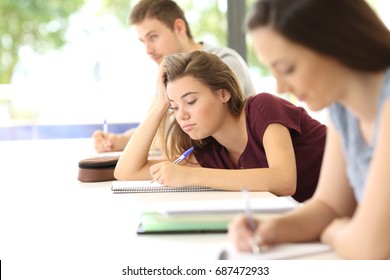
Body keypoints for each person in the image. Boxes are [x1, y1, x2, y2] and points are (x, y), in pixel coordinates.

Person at [228, 0, 390, 259]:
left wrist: (333, 233)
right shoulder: (342, 108)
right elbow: (330, 206)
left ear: (335, 42)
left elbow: (371, 246)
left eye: (287, 69)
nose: (280, 87)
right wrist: (273, 228)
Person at [114, 50, 326, 203]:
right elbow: (126, 171)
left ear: (223, 93)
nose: (182, 115)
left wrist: (190, 175)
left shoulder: (262, 108)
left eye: (191, 101)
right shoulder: (211, 151)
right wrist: (161, 103)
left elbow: (284, 181)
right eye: (174, 107)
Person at [92, 0, 255, 153]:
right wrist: (119, 140)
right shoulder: (171, 74)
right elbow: (154, 127)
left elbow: (199, 140)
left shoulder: (225, 62)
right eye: (143, 41)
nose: (148, 50)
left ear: (179, 27)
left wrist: (155, 142)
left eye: (153, 37)